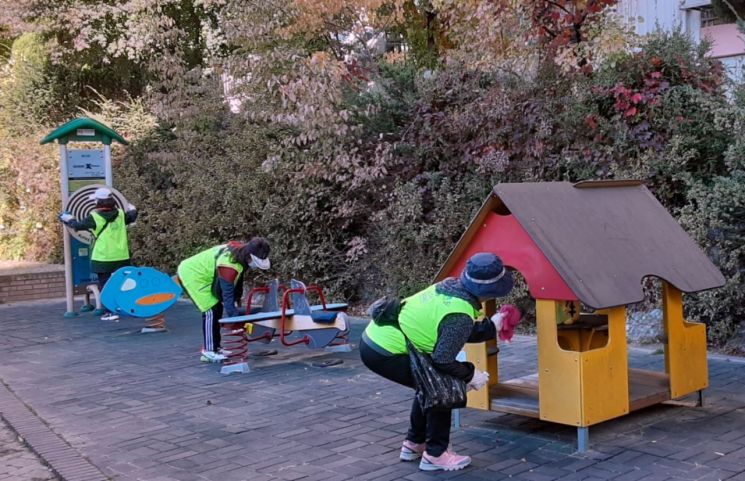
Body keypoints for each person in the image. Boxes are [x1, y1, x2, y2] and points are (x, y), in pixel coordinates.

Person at [360, 252, 521, 472]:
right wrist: (470, 375)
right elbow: (443, 360)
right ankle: (436, 454)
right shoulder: (460, 313)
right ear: (492, 291)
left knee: (428, 384)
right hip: (385, 350)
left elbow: (453, 331)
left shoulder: (450, 288)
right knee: (442, 388)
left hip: (377, 339)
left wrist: (491, 326)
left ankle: (415, 443)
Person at [177, 237, 271, 363]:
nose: (256, 265)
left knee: (217, 308)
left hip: (204, 274)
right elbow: (227, 293)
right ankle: (209, 351)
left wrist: (237, 305)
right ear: (249, 256)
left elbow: (236, 284)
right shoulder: (229, 265)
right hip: (192, 273)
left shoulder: (240, 254)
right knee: (211, 309)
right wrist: (234, 316)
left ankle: (216, 347)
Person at [59, 187, 137, 321]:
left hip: (103, 257)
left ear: (98, 202)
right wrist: (133, 208)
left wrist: (67, 218)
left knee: (105, 285)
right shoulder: (120, 213)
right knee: (121, 283)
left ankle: (109, 311)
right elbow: (132, 216)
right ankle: (124, 306)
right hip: (122, 256)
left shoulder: (94, 217)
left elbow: (77, 225)